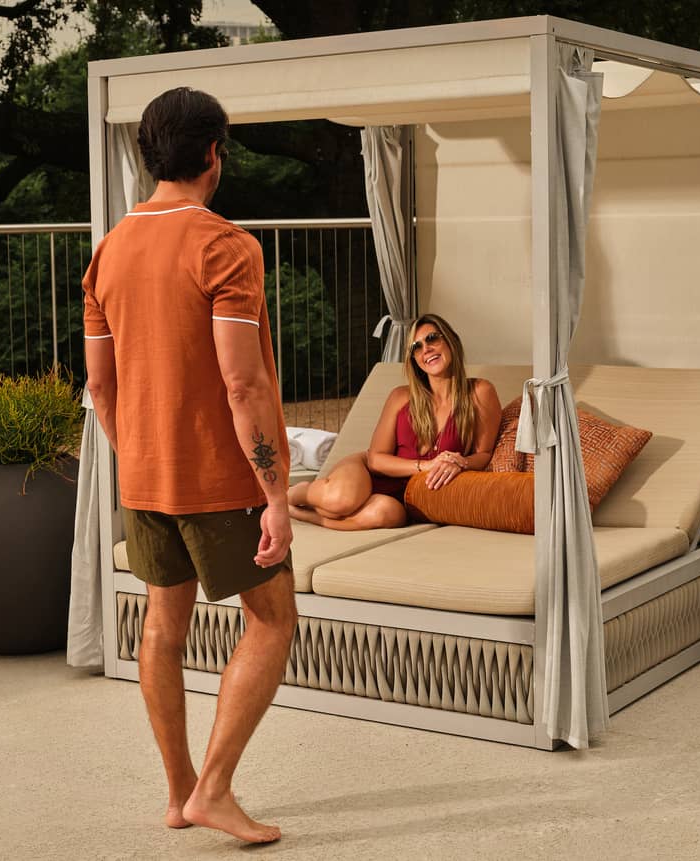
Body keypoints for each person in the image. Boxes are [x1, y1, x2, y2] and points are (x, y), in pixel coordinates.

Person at [82, 86, 296, 845]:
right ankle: (213, 788)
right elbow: (243, 382)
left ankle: (179, 792)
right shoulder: (226, 246)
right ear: (214, 152)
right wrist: (277, 491)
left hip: (144, 478)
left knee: (163, 625)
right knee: (272, 620)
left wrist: (140, 454)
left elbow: (99, 387)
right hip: (221, 482)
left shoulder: (107, 249)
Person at [288, 314, 503, 530]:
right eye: (416, 347)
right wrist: (427, 465)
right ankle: (292, 494)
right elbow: (375, 459)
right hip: (368, 472)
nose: (426, 349)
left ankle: (303, 514)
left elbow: (484, 454)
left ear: (451, 340)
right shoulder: (401, 397)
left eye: (432, 338)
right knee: (342, 501)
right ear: (414, 360)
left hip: (404, 497)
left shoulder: (480, 392)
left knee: (388, 515)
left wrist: (460, 461)